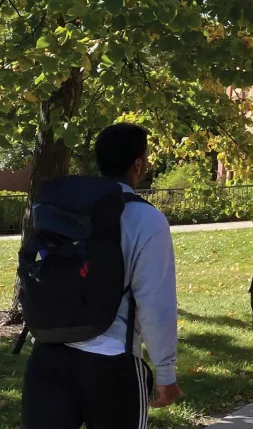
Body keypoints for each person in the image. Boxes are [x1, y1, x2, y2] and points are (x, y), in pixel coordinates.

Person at [21, 123, 181, 429]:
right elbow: (155, 303)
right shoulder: (146, 218)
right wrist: (165, 373)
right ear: (138, 163)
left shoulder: (64, 207)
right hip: (112, 363)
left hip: (48, 354)